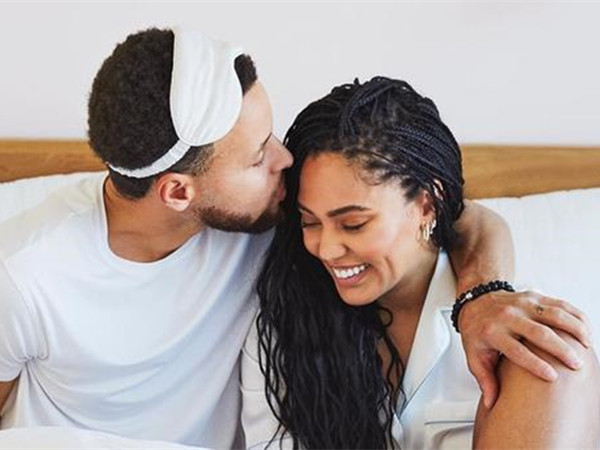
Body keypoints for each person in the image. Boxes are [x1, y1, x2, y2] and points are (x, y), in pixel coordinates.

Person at [0, 28, 590, 447]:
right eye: (259, 155)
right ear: (179, 192)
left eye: (351, 223)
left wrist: (483, 293)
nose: (284, 160)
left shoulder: (264, 213)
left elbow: (462, 215)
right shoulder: (25, 271)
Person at [241, 77, 599, 449]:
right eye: (310, 222)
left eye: (354, 224)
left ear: (426, 205)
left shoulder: (526, 343)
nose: (327, 249)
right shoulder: (281, 329)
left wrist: (482, 293)